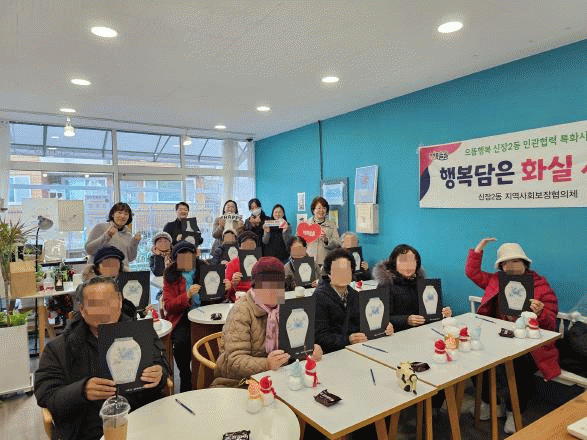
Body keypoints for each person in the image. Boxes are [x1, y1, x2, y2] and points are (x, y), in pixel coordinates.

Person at [34, 276, 169, 440]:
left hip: (142, 421)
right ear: (82, 309)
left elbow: (162, 366)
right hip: (88, 430)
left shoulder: (141, 334)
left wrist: (159, 374)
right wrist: (81, 390)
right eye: (95, 305)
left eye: (109, 302)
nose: (104, 310)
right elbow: (45, 394)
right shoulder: (60, 348)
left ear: (120, 302)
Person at [466, 238, 560, 434]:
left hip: (530, 345)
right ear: (501, 266)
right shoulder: (496, 280)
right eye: (505, 262)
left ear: (525, 263)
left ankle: (513, 411)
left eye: (516, 261)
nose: (511, 266)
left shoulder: (541, 286)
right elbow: (472, 273)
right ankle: (489, 403)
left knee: (520, 365)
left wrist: (540, 313)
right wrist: (478, 250)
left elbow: (551, 324)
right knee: (474, 355)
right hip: (500, 337)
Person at [213, 257, 323, 387]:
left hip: (277, 377)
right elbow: (234, 361)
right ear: (255, 285)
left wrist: (309, 351)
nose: (273, 291)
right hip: (240, 382)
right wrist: (267, 364)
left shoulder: (285, 309)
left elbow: (294, 347)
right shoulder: (241, 311)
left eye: (278, 285)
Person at [315, 248, 393, 354]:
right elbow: (320, 337)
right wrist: (348, 339)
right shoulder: (319, 297)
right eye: (338, 271)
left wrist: (383, 326)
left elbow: (365, 323)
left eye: (347, 270)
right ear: (329, 273)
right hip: (333, 354)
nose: (343, 274)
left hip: (356, 350)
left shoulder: (355, 295)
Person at [163, 241, 213, 392]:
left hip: (205, 314)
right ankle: (185, 375)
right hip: (182, 317)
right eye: (181, 257)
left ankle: (207, 377)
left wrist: (226, 288)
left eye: (189, 256)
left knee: (212, 341)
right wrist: (187, 295)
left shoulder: (205, 269)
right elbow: (169, 306)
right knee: (181, 343)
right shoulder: (171, 275)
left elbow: (215, 297)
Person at [373, 244, 451, 332]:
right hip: (399, 334)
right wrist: (406, 320)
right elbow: (380, 317)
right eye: (403, 261)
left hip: (423, 330)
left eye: (412, 261)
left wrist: (442, 311)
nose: (408, 265)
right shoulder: (385, 285)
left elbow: (430, 306)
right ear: (394, 263)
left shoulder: (422, 283)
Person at [85, 202, 141, 268]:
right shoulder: (101, 227)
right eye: (119, 213)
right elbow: (89, 250)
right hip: (100, 271)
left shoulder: (128, 235)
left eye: (126, 214)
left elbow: (130, 258)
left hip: (121, 271)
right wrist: (107, 236)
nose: (122, 216)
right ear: (112, 214)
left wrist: (135, 242)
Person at [224, 231, 260, 302]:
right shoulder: (232, 264)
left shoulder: (261, 262)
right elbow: (227, 292)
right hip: (239, 299)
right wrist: (233, 283)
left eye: (251, 248)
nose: (248, 249)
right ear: (239, 247)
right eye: (245, 248)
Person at [304, 196, 339, 266]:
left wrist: (326, 240)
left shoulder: (332, 224)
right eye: (319, 208)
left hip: (326, 260)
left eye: (324, 208)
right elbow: (299, 243)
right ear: (313, 210)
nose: (321, 210)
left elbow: (337, 243)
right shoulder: (305, 224)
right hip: (309, 261)